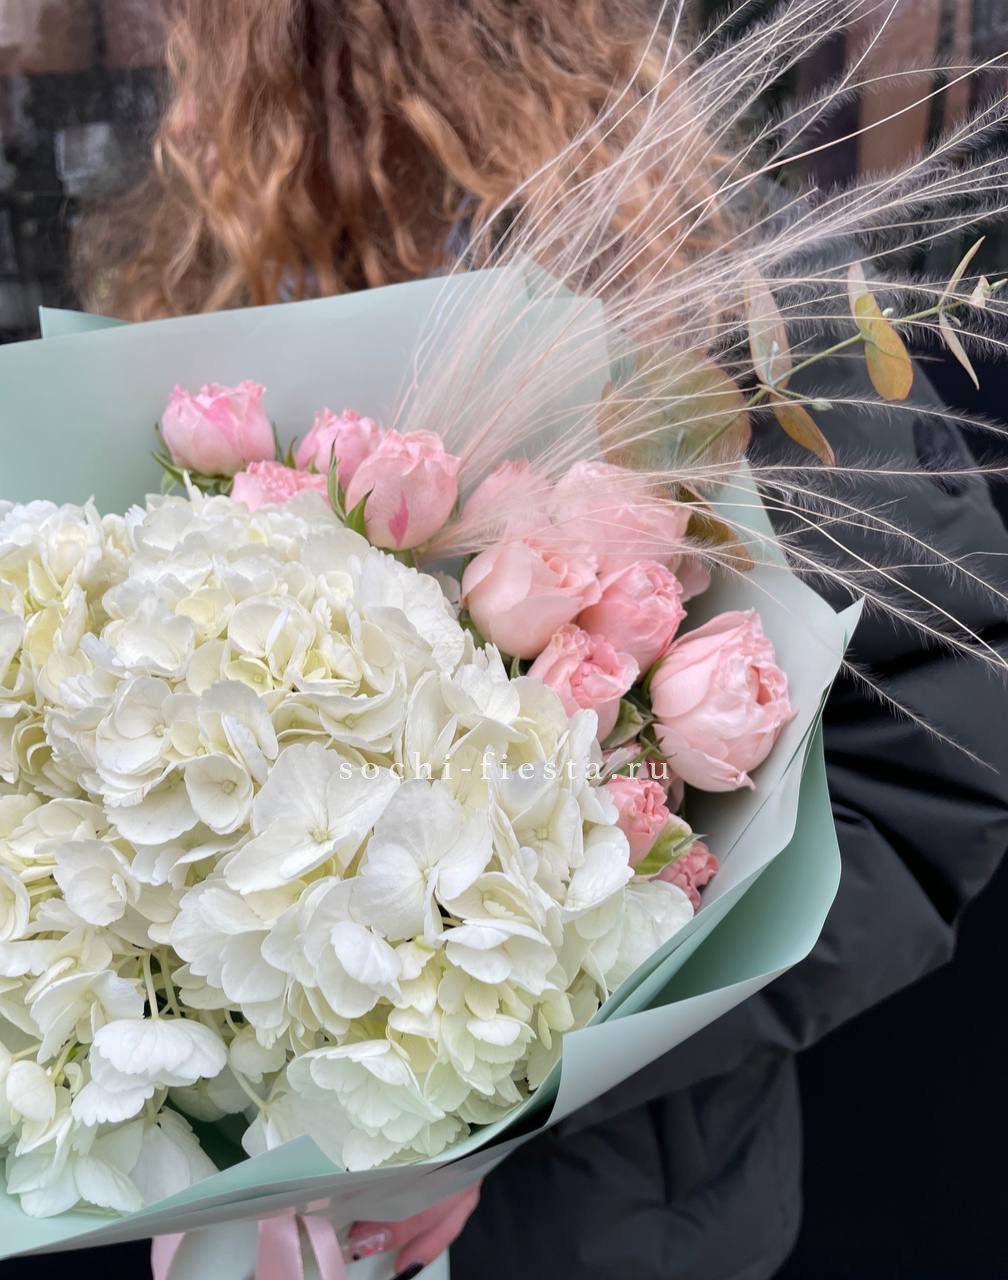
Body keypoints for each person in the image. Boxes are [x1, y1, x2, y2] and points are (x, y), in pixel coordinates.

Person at [78, 3, 1008, 1278]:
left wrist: (530, 1086)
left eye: (212, 58)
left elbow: (938, 755)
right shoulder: (212, 300)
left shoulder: (704, 307)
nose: (182, 116)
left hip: (607, 1215)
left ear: (319, 65)